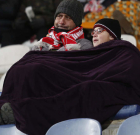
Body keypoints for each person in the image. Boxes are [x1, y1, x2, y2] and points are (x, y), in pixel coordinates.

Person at [1, 17, 140, 135]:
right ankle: (12, 108)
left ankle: (18, 112)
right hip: (83, 79)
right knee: (34, 71)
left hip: (115, 87)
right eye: (93, 31)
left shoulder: (124, 49)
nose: (94, 34)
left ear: (112, 35)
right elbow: (78, 67)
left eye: (99, 30)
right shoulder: (92, 53)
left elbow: (130, 69)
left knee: (89, 88)